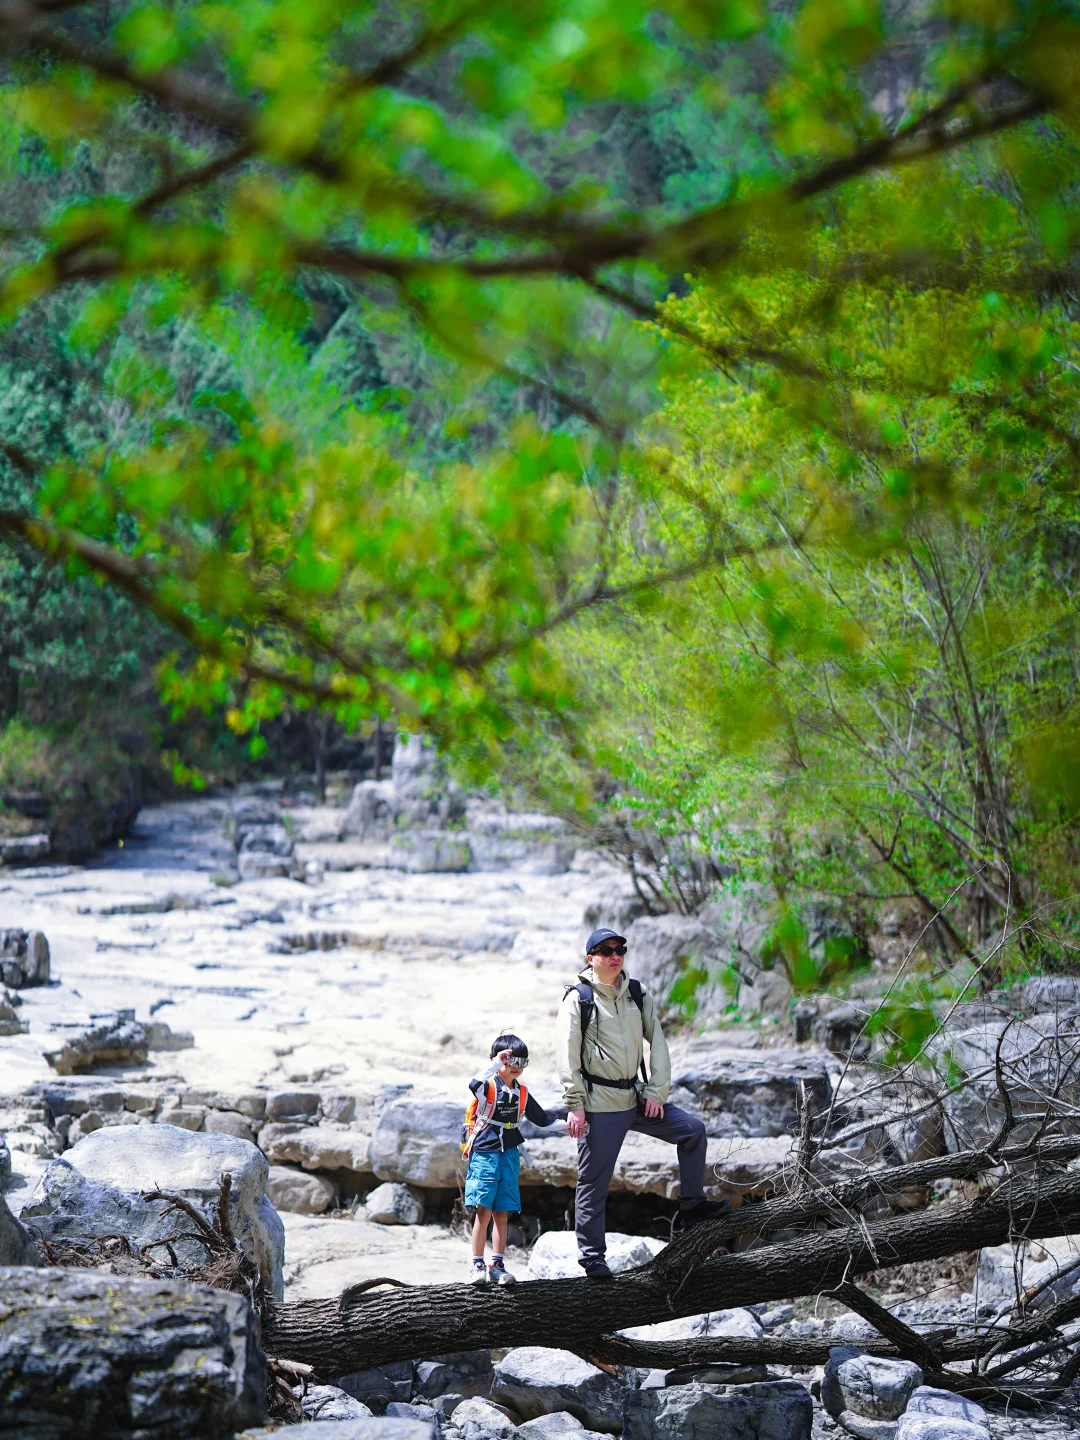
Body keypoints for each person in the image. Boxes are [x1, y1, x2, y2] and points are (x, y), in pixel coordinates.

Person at [556, 927, 729, 1280]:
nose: (615, 955)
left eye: (620, 948)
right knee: (593, 1181)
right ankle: (592, 1258)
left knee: (692, 1131)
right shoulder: (579, 999)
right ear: (591, 958)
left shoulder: (637, 992)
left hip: (636, 1097)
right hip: (600, 1104)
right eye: (606, 950)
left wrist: (655, 1091)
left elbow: (659, 1044)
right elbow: (566, 1056)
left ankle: (693, 1206)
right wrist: (575, 1104)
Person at [463, 1032, 558, 1285]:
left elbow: (544, 1120)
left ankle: (497, 1265)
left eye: (521, 1062)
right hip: (485, 1152)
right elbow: (473, 1084)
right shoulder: (489, 1087)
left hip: (510, 1154)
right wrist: (496, 1062)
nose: (516, 1067)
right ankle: (476, 1265)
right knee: (483, 1212)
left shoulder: (522, 1093)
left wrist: (572, 1126)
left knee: (502, 1212)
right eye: (510, 1060)